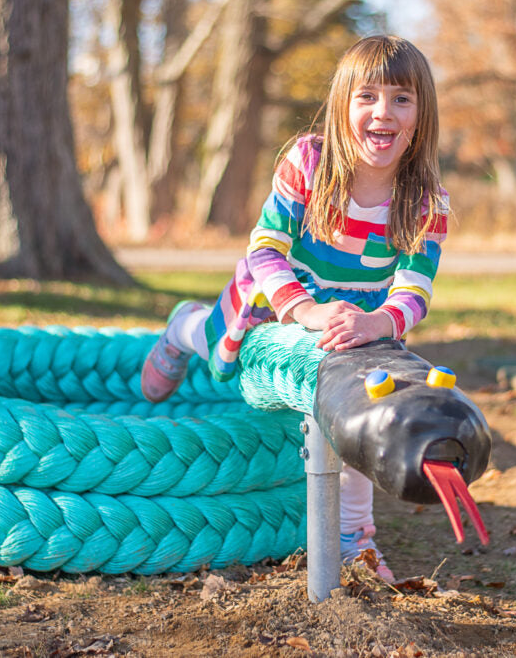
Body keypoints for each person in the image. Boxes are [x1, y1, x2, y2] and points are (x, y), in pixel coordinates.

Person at [141, 35, 448, 583]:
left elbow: (414, 288)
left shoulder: (425, 198)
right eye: (368, 96)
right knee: (215, 348)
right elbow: (265, 248)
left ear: (421, 115)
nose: (384, 112)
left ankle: (355, 539)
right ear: (341, 105)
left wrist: (376, 322)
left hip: (359, 322)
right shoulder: (309, 160)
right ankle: (178, 329)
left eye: (402, 98)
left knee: (349, 407)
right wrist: (304, 310)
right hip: (277, 295)